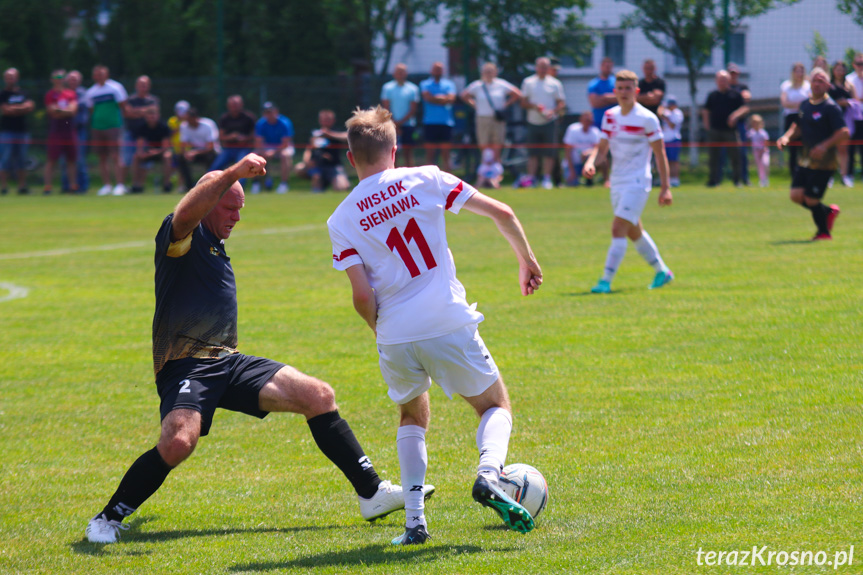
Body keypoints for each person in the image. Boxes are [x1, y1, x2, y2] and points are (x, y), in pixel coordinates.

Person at [85, 153, 424, 544]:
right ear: (209, 201)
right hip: (186, 367)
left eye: (240, 209)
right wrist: (232, 172)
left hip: (228, 362)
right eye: (230, 207)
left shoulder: (215, 243)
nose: (237, 217)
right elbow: (185, 211)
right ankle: (107, 518)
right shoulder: (182, 238)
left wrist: (231, 186)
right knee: (179, 442)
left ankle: (371, 492)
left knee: (318, 395)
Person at [327, 105, 542, 545]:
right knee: (494, 406)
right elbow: (502, 211)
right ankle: (489, 474)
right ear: (394, 149)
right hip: (446, 318)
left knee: (411, 414)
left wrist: (380, 332)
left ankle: (414, 523)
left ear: (351, 158)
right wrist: (527, 261)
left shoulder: (341, 218)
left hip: (394, 332)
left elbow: (362, 296)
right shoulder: (426, 177)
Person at [583, 69, 674, 294]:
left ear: (636, 90)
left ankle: (605, 280)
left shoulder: (647, 118)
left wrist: (665, 188)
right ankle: (662, 271)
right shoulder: (610, 116)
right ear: (615, 91)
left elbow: (660, 154)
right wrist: (592, 162)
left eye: (628, 88)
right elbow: (602, 147)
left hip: (637, 181)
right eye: (620, 88)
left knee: (618, 228)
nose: (624, 92)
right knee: (633, 231)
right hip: (617, 182)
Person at [776, 67, 848, 241]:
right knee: (795, 196)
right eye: (815, 80)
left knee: (810, 199)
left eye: (821, 81)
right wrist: (786, 137)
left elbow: (844, 132)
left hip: (825, 163)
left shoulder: (831, 107)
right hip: (806, 160)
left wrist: (824, 145)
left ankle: (823, 233)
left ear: (828, 85)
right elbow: (798, 126)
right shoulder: (805, 104)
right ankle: (828, 212)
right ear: (810, 82)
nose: (817, 84)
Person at [518, 57, 566, 189]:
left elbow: (561, 103)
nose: (543, 69)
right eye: (541, 66)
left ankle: (547, 179)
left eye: (545, 67)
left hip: (550, 122)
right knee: (532, 153)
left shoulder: (555, 83)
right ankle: (531, 179)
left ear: (549, 68)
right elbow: (523, 102)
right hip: (532, 121)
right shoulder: (528, 82)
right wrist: (534, 107)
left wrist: (552, 111)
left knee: (549, 153)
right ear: (536, 67)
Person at [461, 62, 521, 163]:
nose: (488, 74)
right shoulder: (477, 85)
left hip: (497, 119)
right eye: (486, 71)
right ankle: (485, 168)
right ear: (482, 73)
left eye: (490, 71)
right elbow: (464, 95)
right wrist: (475, 105)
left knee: (497, 142)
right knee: (484, 143)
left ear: (495, 72)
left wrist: (505, 106)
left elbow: (517, 93)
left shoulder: (501, 84)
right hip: (482, 118)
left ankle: (496, 168)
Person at [84, 65, 127, 196]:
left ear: (106, 75)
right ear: (94, 76)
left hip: (113, 125)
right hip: (97, 127)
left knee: (115, 155)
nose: (99, 76)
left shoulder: (116, 88)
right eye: (97, 74)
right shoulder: (91, 92)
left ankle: (120, 185)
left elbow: (122, 105)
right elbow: (91, 110)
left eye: (102, 74)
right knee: (102, 157)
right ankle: (107, 185)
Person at [702, 70, 749, 187]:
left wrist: (735, 116)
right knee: (714, 157)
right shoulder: (712, 95)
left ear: (728, 80)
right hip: (715, 130)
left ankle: (737, 180)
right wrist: (707, 124)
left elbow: (745, 108)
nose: (722, 82)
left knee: (735, 156)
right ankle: (713, 180)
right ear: (716, 81)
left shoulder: (735, 94)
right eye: (720, 79)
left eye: (724, 79)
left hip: (731, 131)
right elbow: (706, 110)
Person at [43, 69, 79, 195]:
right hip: (55, 131)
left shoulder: (70, 93)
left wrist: (60, 110)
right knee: (52, 159)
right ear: (52, 79)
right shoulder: (50, 94)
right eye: (56, 77)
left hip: (69, 131)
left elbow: (73, 111)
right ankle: (48, 187)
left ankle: (73, 187)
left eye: (61, 77)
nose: (59, 79)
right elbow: (52, 112)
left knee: (71, 160)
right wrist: (65, 111)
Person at [121, 76, 160, 192]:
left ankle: (139, 186)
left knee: (143, 160)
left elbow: (153, 113)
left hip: (145, 136)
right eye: (141, 84)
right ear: (136, 86)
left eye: (145, 84)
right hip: (131, 134)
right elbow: (127, 113)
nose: (143, 87)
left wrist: (136, 111)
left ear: (149, 86)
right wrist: (145, 111)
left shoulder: (153, 99)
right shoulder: (130, 99)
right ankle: (122, 186)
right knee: (126, 160)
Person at [296, 109, 350, 192]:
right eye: (323, 120)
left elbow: (347, 137)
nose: (325, 122)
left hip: (333, 166)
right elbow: (309, 149)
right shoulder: (315, 134)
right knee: (300, 168)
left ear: (333, 120)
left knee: (341, 187)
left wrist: (329, 134)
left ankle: (336, 181)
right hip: (318, 166)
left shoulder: (337, 131)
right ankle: (317, 189)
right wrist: (307, 161)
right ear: (320, 120)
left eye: (328, 120)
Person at [0, 67, 35, 195]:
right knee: (5, 159)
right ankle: (4, 187)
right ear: (5, 79)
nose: (11, 79)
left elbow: (30, 106)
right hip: (6, 132)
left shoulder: (24, 93)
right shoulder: (2, 94)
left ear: (17, 78)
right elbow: (5, 110)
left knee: (22, 160)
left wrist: (13, 109)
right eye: (8, 77)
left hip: (22, 132)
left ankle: (22, 187)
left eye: (13, 76)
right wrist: (21, 108)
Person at [380, 63, 421, 167]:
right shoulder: (387, 87)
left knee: (408, 152)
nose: (400, 74)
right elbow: (386, 107)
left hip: (408, 125)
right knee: (393, 153)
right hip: (390, 125)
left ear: (406, 74)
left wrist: (400, 123)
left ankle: (409, 178)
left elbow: (413, 109)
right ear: (394, 74)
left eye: (402, 72)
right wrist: (394, 123)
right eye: (398, 72)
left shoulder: (413, 88)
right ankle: (394, 178)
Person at [419, 62, 457, 171]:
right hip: (430, 123)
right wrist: (443, 99)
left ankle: (448, 182)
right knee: (430, 155)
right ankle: (428, 182)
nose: (438, 71)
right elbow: (428, 98)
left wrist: (436, 98)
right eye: (436, 69)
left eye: (440, 69)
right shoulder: (425, 83)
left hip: (446, 123)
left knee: (446, 155)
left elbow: (452, 99)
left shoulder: (449, 84)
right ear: (431, 70)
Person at [586, 57, 618, 187]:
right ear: (600, 67)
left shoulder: (615, 82)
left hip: (616, 124)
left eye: (609, 66)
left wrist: (604, 97)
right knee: (600, 150)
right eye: (605, 65)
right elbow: (594, 102)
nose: (607, 68)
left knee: (615, 152)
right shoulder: (594, 83)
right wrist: (611, 98)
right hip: (599, 123)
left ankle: (610, 178)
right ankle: (599, 177)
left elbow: (620, 98)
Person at [252, 101, 294, 194]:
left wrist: (273, 152)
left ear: (276, 111)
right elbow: (259, 142)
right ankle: (256, 184)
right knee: (255, 156)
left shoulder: (284, 122)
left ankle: (284, 184)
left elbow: (285, 144)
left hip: (282, 148)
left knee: (285, 155)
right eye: (266, 112)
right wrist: (264, 151)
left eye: (270, 111)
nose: (269, 114)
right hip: (266, 148)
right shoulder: (260, 123)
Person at [779, 62, 811, 179]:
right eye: (797, 71)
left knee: (805, 148)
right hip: (791, 118)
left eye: (802, 71)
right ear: (793, 73)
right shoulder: (786, 85)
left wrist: (797, 105)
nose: (800, 73)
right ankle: (794, 176)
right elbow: (785, 103)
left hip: (804, 118)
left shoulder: (807, 85)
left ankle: (806, 174)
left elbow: (810, 102)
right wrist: (800, 104)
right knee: (792, 149)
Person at [176, 107, 219, 191]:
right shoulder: (184, 126)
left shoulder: (208, 125)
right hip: (194, 152)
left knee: (210, 158)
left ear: (195, 118)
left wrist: (195, 153)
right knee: (181, 158)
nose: (187, 121)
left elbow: (210, 147)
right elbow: (183, 146)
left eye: (188, 119)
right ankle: (189, 186)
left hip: (209, 152)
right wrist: (186, 154)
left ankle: (209, 184)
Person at [131, 107, 172, 193]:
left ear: (158, 116)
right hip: (148, 152)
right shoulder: (142, 127)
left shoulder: (163, 127)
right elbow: (140, 144)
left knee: (167, 156)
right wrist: (141, 153)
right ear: (146, 117)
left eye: (153, 116)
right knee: (136, 157)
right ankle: (136, 185)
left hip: (160, 152)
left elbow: (165, 147)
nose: (151, 118)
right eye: (149, 116)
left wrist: (155, 152)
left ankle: (166, 184)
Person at [210, 95, 256, 171]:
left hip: (244, 148)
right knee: (214, 168)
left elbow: (255, 135)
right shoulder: (224, 118)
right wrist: (231, 137)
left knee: (241, 167)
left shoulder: (249, 117)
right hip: (228, 148)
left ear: (241, 105)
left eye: (236, 105)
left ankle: (239, 183)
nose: (235, 107)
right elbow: (221, 137)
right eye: (232, 105)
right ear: (228, 106)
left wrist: (245, 138)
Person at [63, 70, 89, 193]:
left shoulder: (83, 93)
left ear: (80, 81)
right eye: (71, 79)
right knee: (65, 160)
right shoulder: (62, 93)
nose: (73, 81)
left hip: (79, 130)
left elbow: (75, 107)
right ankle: (66, 186)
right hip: (64, 131)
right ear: (67, 81)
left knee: (79, 159)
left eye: (76, 79)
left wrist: (65, 108)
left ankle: (82, 186)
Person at [727, 63, 751, 185]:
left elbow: (747, 101)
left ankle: (744, 177)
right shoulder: (724, 88)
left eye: (735, 73)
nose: (733, 76)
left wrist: (735, 116)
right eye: (731, 73)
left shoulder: (742, 87)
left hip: (739, 124)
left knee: (741, 151)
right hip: (724, 125)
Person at [561, 111, 601, 186]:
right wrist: (572, 171)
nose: (587, 122)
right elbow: (567, 152)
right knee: (572, 184)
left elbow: (598, 149)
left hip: (589, 162)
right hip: (573, 164)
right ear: (581, 120)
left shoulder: (595, 131)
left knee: (604, 160)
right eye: (585, 120)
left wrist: (589, 153)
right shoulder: (573, 130)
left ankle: (604, 180)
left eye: (589, 120)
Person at [845, 53, 863, 184]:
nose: (861, 66)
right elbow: (854, 99)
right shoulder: (849, 79)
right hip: (853, 118)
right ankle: (849, 175)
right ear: (854, 65)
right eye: (859, 64)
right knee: (850, 147)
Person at [660, 96, 683, 187]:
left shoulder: (677, 113)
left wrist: (665, 117)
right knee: (665, 160)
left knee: (674, 161)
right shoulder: (666, 112)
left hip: (674, 139)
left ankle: (675, 179)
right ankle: (666, 179)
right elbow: (659, 112)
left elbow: (672, 125)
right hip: (664, 139)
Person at [167, 100, 190, 189]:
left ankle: (181, 186)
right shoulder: (172, 120)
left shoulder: (189, 122)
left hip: (185, 149)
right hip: (174, 148)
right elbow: (171, 132)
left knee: (182, 169)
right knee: (174, 168)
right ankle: (168, 185)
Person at [747, 114, 770, 187]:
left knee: (765, 164)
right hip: (756, 152)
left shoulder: (763, 132)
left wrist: (765, 147)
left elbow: (766, 140)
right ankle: (762, 180)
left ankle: (766, 179)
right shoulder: (751, 132)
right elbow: (747, 138)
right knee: (759, 166)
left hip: (763, 151)